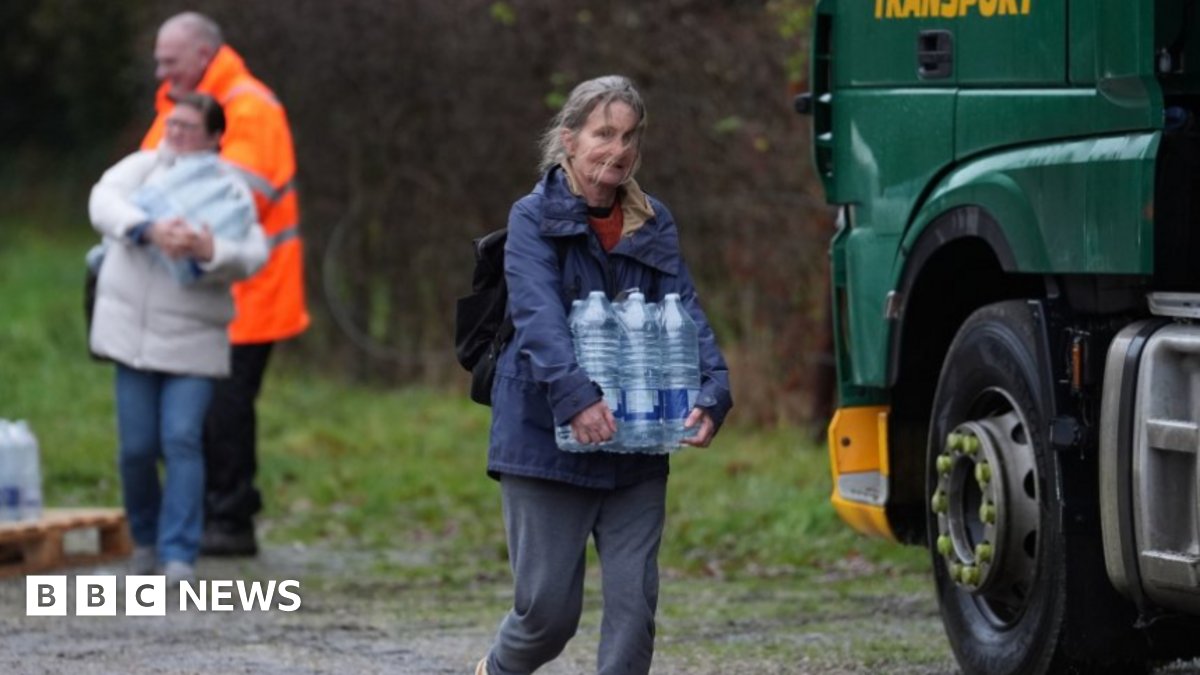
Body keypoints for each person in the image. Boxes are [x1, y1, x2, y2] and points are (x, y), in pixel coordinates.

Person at [478, 75, 733, 675]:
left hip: (638, 437)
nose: (617, 150)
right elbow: (538, 318)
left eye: (629, 138)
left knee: (633, 606)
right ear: (569, 139)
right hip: (547, 435)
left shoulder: (653, 221)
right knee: (546, 613)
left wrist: (714, 393)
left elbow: (685, 311)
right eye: (604, 134)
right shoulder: (532, 217)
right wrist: (576, 400)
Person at [141, 12, 310, 556]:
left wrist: (158, 212)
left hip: (250, 292)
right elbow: (146, 179)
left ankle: (231, 519)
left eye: (170, 61)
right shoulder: (179, 106)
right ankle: (211, 513)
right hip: (198, 293)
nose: (160, 70)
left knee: (226, 410)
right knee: (202, 411)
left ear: (201, 55)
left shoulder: (249, 107)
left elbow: (229, 199)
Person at [88, 93, 269, 585]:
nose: (177, 134)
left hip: (193, 340)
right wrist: (147, 229)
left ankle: (178, 555)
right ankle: (144, 541)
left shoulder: (230, 189)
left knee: (182, 439)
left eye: (189, 127)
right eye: (173, 124)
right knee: (137, 448)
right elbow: (101, 203)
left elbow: (254, 253)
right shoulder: (141, 170)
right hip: (132, 337)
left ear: (214, 137)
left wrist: (212, 249)